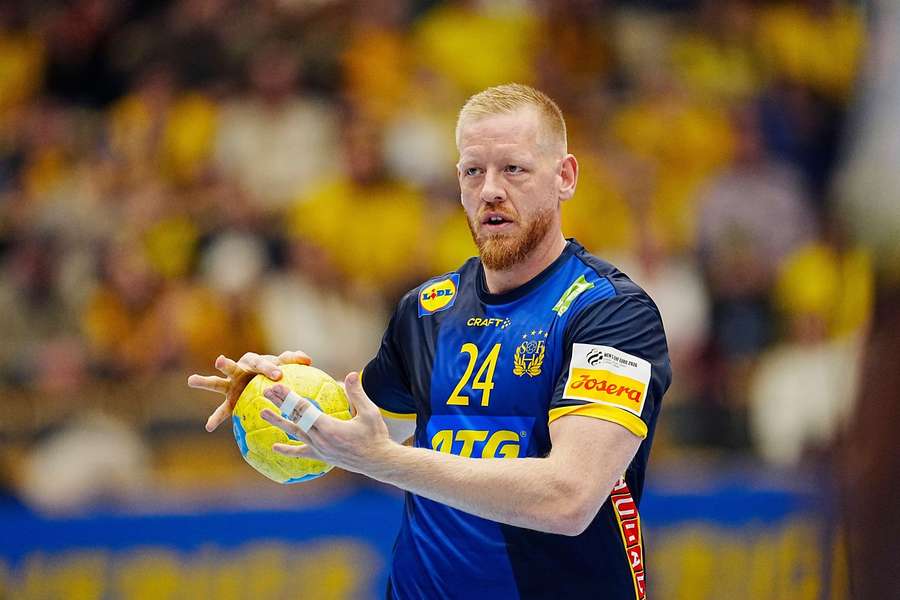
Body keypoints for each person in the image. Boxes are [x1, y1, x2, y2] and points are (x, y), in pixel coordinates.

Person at [188, 83, 671, 599]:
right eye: (472, 171)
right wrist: (282, 392)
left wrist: (385, 461)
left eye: (514, 169)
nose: (490, 190)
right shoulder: (427, 310)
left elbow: (568, 499)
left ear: (564, 177)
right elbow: (354, 432)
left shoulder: (611, 313)